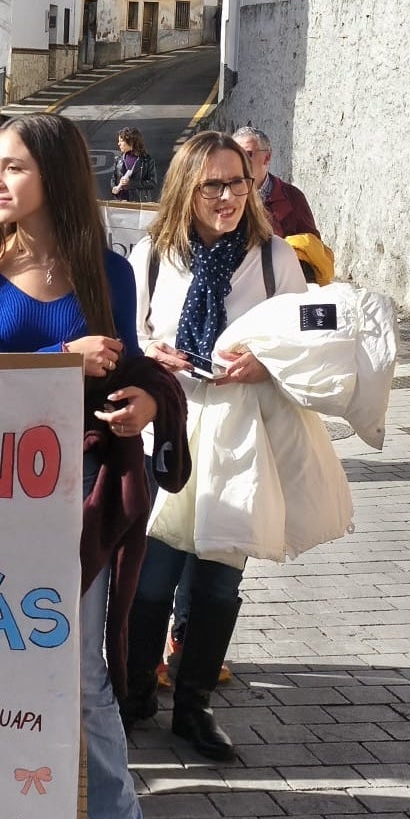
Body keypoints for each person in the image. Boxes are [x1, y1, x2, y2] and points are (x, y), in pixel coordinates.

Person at [0, 113, 176, 819]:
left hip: (83, 496)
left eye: (12, 167)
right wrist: (56, 360)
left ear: (56, 178)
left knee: (79, 669)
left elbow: (127, 368)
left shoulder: (109, 273)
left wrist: (143, 401)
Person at [123, 131, 307, 762]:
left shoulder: (273, 258)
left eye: (238, 182)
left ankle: (193, 705)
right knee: (150, 579)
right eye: (213, 185)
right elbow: (129, 333)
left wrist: (265, 362)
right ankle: (134, 691)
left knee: (217, 583)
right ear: (185, 187)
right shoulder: (152, 255)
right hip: (168, 427)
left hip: (239, 434)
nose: (228, 196)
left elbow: (301, 343)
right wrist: (151, 353)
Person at [232, 127, 317, 238]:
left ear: (267, 157)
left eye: (248, 154)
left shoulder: (292, 197)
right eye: (235, 155)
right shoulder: (221, 196)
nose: (240, 161)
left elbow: (311, 246)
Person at [111, 127, 159, 204]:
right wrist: (114, 188)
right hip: (121, 202)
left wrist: (132, 183)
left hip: (139, 203)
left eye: (121, 141)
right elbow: (114, 178)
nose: (118, 144)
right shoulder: (119, 159)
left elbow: (152, 182)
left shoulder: (146, 160)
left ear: (131, 142)